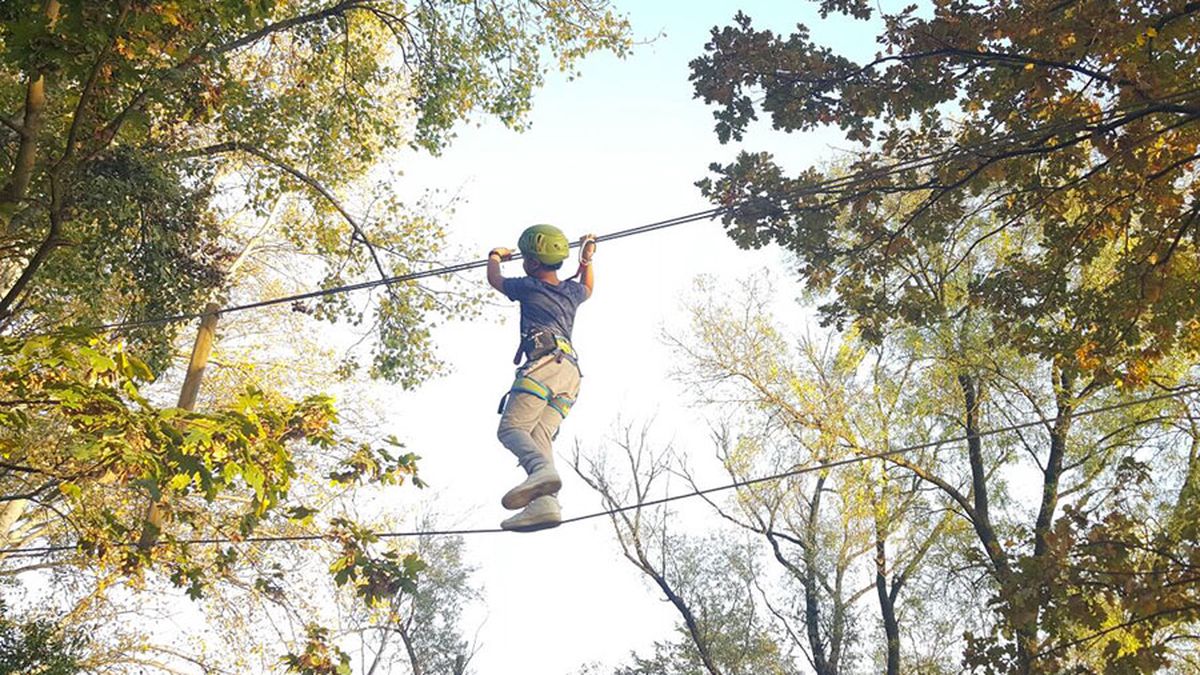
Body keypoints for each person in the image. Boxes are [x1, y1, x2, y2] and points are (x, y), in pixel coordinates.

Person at [487, 224, 596, 532]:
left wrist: (494, 256)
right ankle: (546, 504)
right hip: (571, 376)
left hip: (544, 366)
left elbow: (495, 279)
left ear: (533, 263)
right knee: (538, 435)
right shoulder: (571, 291)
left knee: (511, 430)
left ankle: (539, 470)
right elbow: (588, 288)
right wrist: (586, 261)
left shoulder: (528, 286)